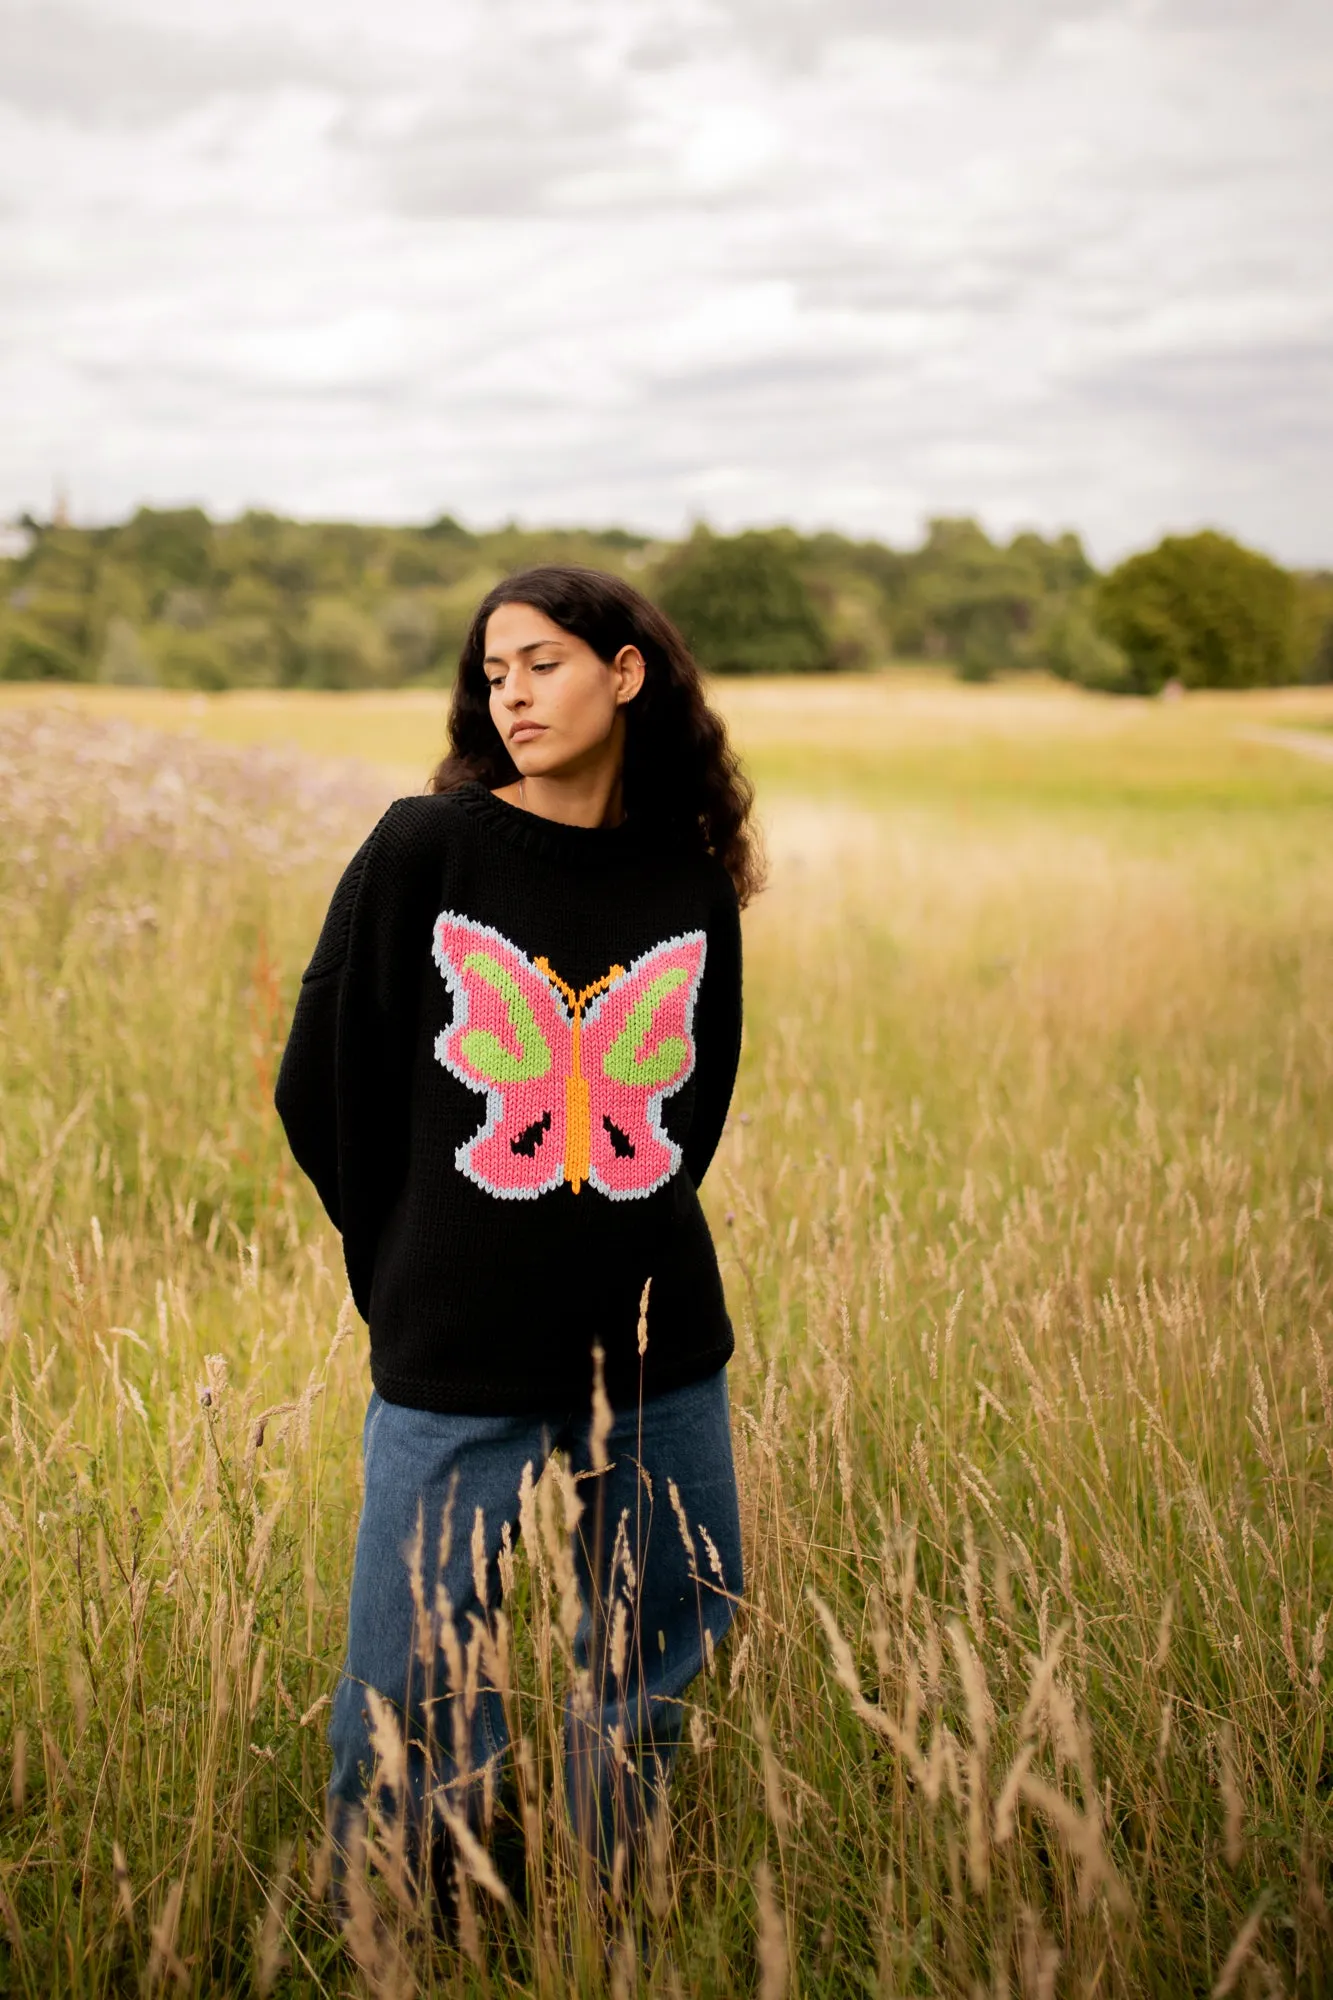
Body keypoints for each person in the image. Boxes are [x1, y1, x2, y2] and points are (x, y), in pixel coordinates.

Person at [274, 564, 763, 1923]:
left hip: (663, 1343)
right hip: (458, 1350)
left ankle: (625, 1906)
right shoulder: (426, 849)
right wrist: (424, 1265)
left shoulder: (686, 882)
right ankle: (418, 1932)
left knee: (664, 1656)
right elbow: (323, 1087)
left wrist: (619, 1238)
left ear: (625, 672)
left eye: (541, 661)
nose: (512, 692)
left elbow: (688, 1107)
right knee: (416, 1692)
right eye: (493, 672)